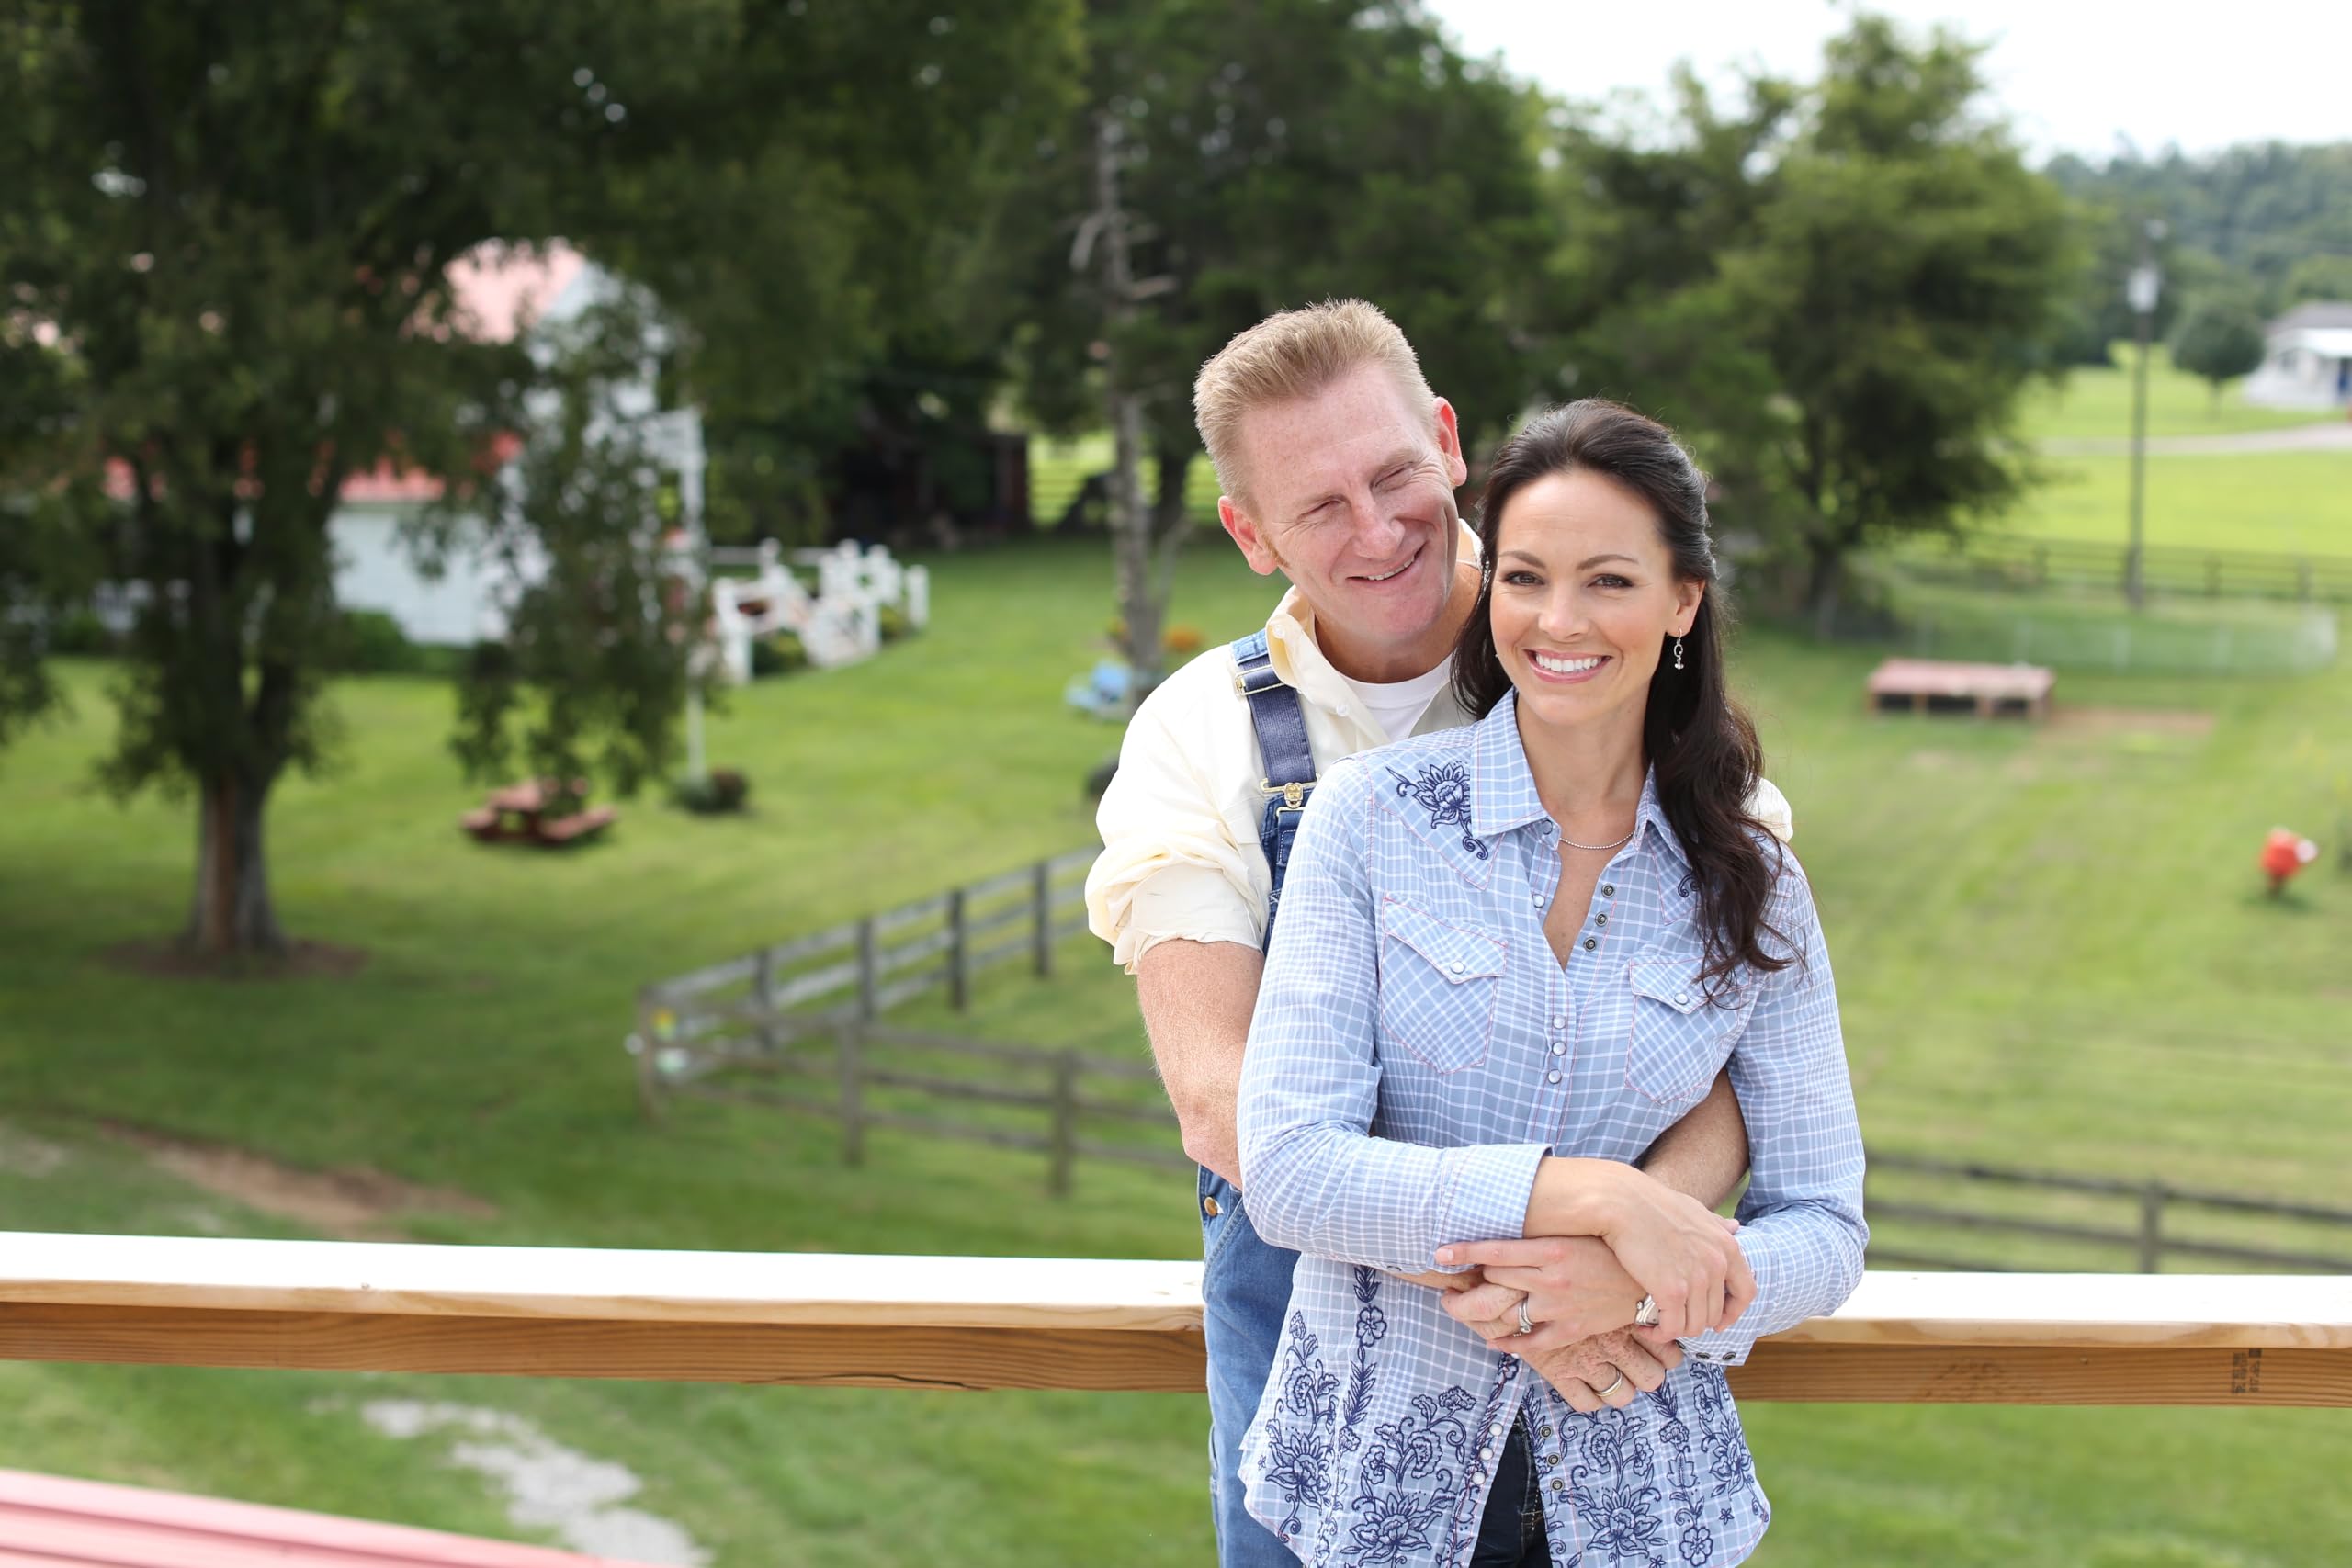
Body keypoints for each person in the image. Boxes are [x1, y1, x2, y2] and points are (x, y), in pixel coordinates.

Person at [1084, 300, 1795, 1567]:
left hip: (1613, 1362)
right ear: (1248, 533)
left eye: (1395, 472)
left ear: (1451, 439)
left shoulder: (1625, 672)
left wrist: (1630, 1262)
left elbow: (1751, 1057)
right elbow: (1222, 1102)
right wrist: (1543, 1268)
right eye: (1317, 505)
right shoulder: (1205, 734)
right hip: (1328, 1364)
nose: (1378, 528)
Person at [1233, 399, 1868, 1566]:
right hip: (1374, 1499)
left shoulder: (1753, 880)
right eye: (1524, 578)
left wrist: (1634, 1291)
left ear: (1682, 603)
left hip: (1645, 1507)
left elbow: (1825, 1226)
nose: (1558, 620)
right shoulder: (1367, 824)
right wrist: (1597, 1201)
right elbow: (1289, 1170)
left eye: (1609, 582)